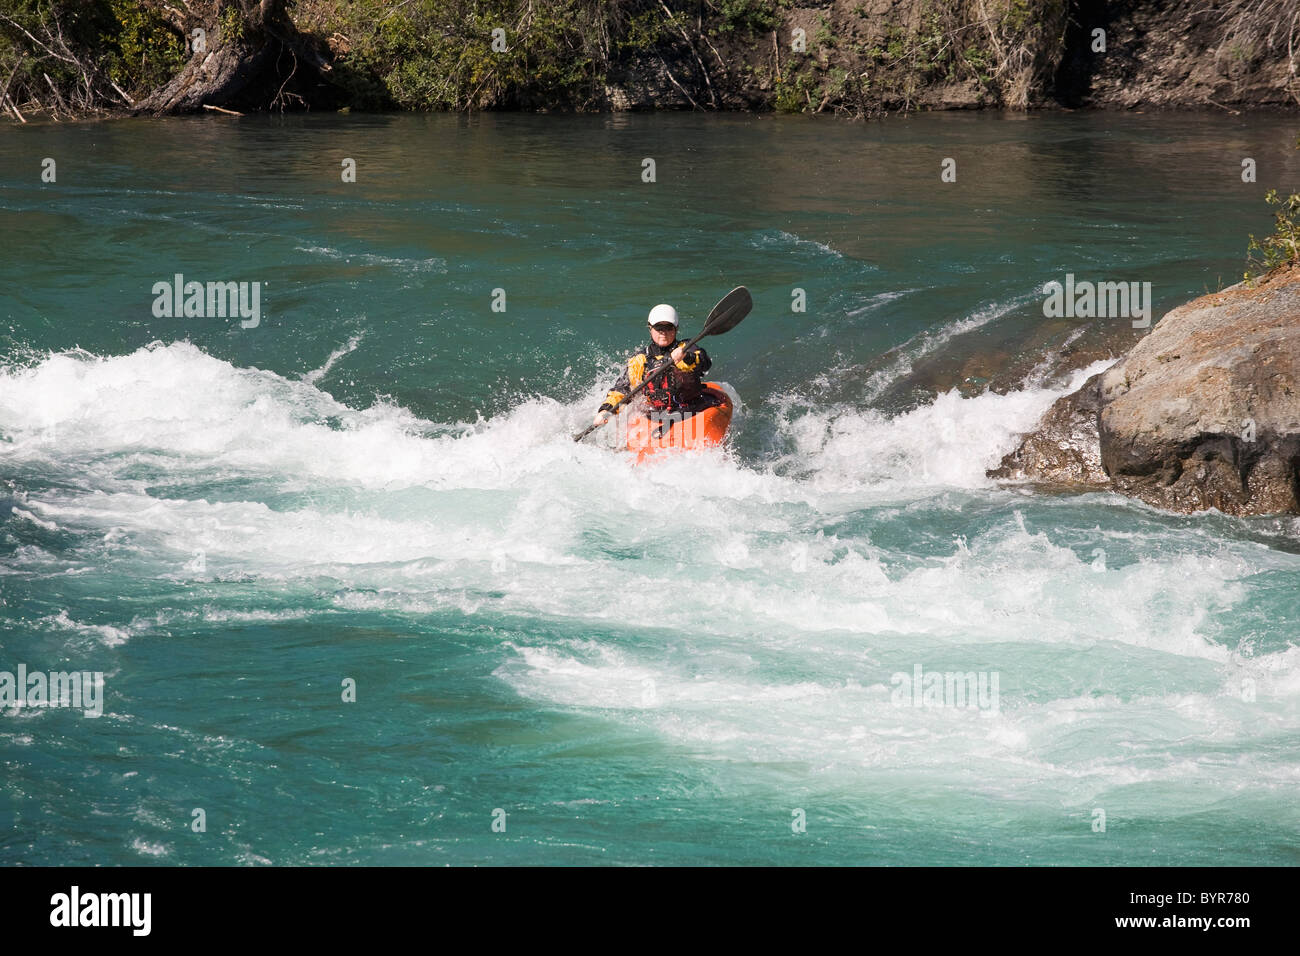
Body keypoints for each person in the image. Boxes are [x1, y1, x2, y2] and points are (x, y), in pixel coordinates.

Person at [593, 304, 716, 427]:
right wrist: (605, 410)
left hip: (691, 410)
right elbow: (622, 389)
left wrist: (686, 356)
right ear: (650, 328)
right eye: (658, 327)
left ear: (676, 329)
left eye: (668, 327)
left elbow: (704, 363)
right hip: (656, 417)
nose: (663, 332)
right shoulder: (640, 360)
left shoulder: (686, 347)